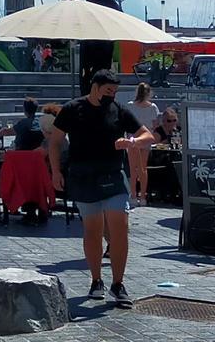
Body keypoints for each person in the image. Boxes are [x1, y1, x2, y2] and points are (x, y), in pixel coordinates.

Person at [45, 70, 152, 304]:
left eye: (115, 91)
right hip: (83, 176)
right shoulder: (72, 109)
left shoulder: (118, 110)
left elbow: (147, 135)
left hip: (113, 175)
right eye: (108, 90)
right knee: (92, 230)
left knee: (119, 227)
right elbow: (55, 142)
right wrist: (56, 172)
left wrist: (132, 141)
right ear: (95, 87)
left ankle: (118, 283)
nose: (111, 95)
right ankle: (96, 280)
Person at [0, 99, 54, 222]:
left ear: (25, 110)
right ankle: (42, 209)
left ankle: (21, 207)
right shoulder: (40, 124)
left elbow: (8, 131)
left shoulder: (22, 123)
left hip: (21, 165)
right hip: (39, 166)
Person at [122, 82, 164, 205]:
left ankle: (133, 195)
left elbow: (126, 122)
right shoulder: (153, 107)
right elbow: (155, 125)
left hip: (132, 139)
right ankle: (143, 197)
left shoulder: (130, 105)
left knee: (133, 168)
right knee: (143, 168)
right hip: (145, 139)